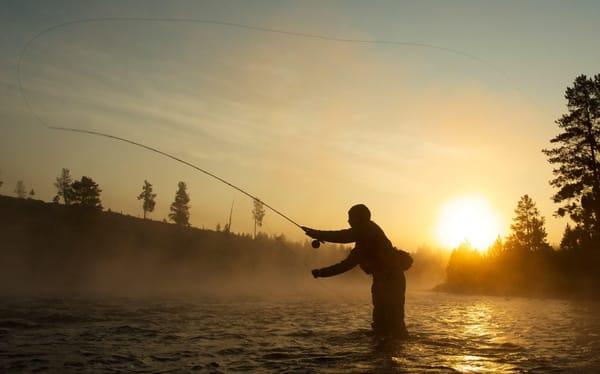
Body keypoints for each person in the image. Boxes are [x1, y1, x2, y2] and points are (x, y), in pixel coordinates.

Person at [302, 204, 412, 337]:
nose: (348, 221)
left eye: (350, 218)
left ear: (360, 218)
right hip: (381, 280)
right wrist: (321, 273)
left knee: (394, 322)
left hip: (391, 280)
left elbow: (343, 236)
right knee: (380, 323)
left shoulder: (369, 228)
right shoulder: (362, 244)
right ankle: (383, 351)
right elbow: (346, 265)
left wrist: (316, 233)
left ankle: (394, 348)